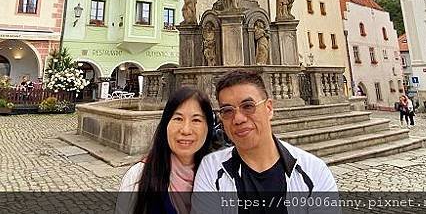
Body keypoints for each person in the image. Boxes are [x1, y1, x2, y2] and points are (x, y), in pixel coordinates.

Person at [193, 70, 337, 213]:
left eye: (248, 106)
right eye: (227, 110)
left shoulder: (314, 171)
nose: (238, 119)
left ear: (269, 108)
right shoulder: (211, 169)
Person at [116, 87, 215, 214]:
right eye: (178, 118)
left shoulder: (218, 176)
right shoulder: (139, 176)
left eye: (196, 120)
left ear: (208, 128)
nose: (185, 130)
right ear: (166, 124)